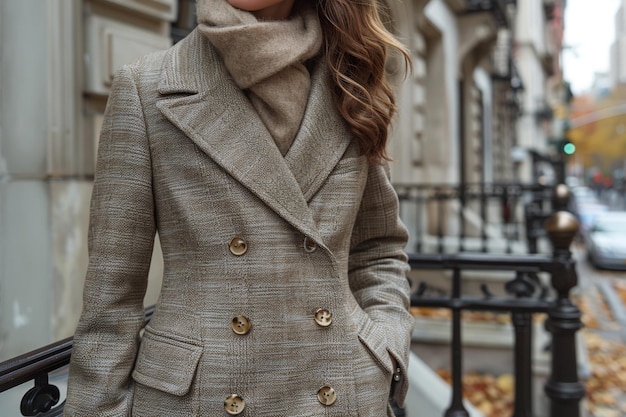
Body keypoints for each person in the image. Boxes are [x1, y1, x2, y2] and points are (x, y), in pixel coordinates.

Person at [64, 0, 414, 415]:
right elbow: (112, 293)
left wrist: (384, 347)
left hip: (343, 388)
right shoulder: (146, 87)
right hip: (204, 398)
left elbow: (379, 248)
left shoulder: (350, 81)